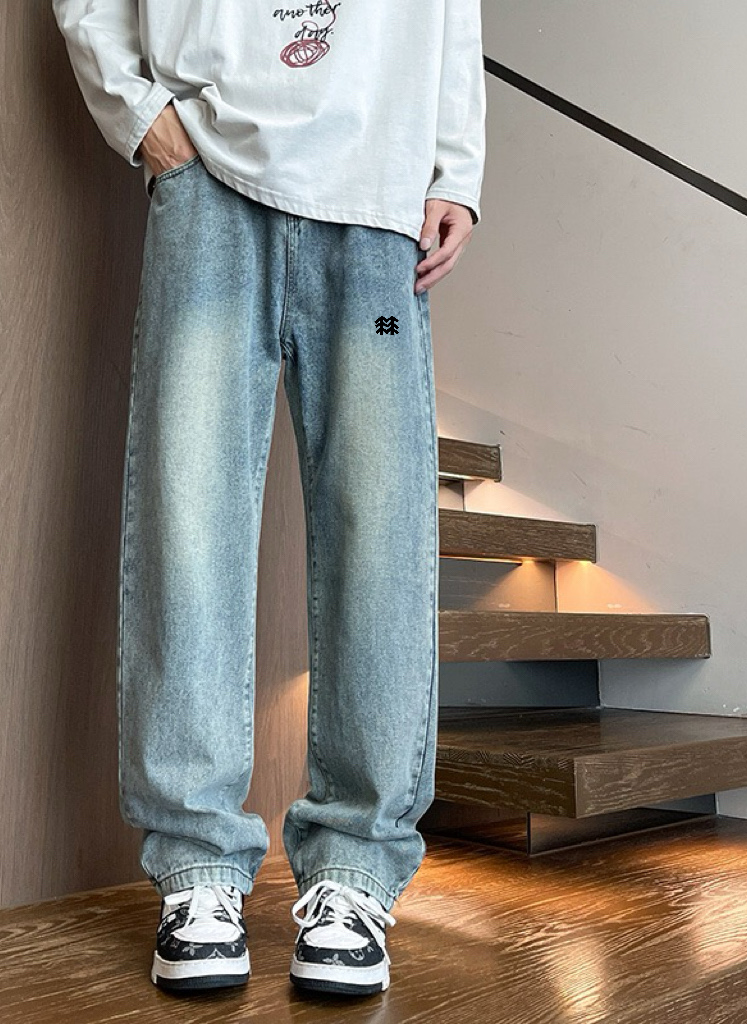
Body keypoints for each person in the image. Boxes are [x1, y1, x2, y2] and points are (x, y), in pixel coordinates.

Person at [52, 0, 486, 998]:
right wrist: (140, 116)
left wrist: (453, 168)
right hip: (209, 175)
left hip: (378, 192)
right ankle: (197, 868)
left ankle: (355, 872)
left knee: (380, 539)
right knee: (187, 522)